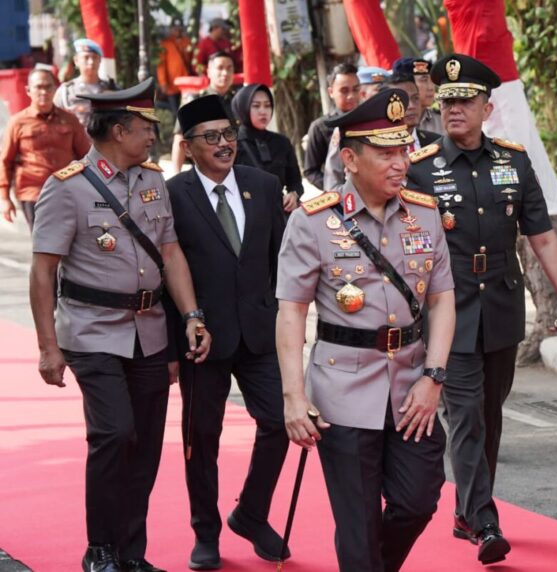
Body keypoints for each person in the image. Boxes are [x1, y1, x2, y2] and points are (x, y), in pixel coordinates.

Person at [405, 53, 557, 565]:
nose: (454, 109)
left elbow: (542, 238)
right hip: (448, 311)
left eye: (465, 101)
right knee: (464, 415)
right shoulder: (421, 169)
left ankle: (466, 510)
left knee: (489, 413)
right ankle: (485, 521)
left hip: (501, 307)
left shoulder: (514, 161)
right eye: (447, 101)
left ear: (487, 108)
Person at [29, 78, 212, 572]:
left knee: (146, 445)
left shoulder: (152, 180)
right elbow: (43, 271)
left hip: (148, 331)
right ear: (117, 130)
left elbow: (170, 251)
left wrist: (191, 315)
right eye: (144, 127)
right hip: (91, 331)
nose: (153, 135)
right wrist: (48, 347)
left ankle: (131, 554)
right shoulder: (66, 187)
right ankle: (100, 549)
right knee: (114, 433)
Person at [276, 88, 456, 572]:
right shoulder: (312, 222)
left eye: (404, 150)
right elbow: (291, 312)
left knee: (418, 501)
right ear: (350, 159)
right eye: (386, 154)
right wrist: (294, 397)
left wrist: (434, 377)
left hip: (412, 386)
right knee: (357, 525)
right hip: (343, 390)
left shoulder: (424, 213)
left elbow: (442, 299)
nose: (401, 163)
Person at [166, 95, 289, 570]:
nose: (224, 144)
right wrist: (174, 340)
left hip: (260, 333)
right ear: (188, 146)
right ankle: (206, 532)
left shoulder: (263, 184)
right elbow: (165, 271)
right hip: (203, 337)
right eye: (212, 137)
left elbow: (281, 262)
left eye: (229, 134)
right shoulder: (173, 194)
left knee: (280, 422)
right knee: (202, 437)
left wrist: (287, 323)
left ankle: (251, 514)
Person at [0, 68, 90, 230]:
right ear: (28, 90)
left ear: (55, 89)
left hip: (66, 191)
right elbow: (6, 161)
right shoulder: (18, 122)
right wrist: (5, 198)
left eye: (48, 87)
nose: (44, 92)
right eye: (39, 87)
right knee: (43, 241)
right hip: (32, 193)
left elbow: (86, 157)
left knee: (69, 240)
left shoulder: (70, 120)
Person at [324, 72, 440, 193]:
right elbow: (332, 181)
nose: (410, 106)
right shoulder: (354, 135)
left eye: (404, 151)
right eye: (386, 154)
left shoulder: (436, 142)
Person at [231, 84, 302, 213]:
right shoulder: (232, 144)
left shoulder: (282, 142)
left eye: (267, 105)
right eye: (256, 106)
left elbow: (295, 181)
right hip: (245, 214)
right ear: (243, 108)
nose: (263, 111)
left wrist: (293, 195)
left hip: (279, 213)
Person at [170, 51, 237, 175]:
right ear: (209, 71)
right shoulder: (195, 101)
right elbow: (180, 137)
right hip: (203, 171)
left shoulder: (237, 101)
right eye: (220, 68)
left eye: (229, 68)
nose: (225, 73)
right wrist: (176, 174)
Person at [302, 62, 360, 190]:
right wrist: (336, 189)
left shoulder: (369, 121)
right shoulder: (320, 127)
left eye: (355, 89)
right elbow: (310, 171)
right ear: (331, 92)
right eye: (344, 91)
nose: (351, 96)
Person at [54, 38, 113, 128]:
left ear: (100, 60)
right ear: (76, 61)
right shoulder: (65, 92)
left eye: (95, 57)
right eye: (86, 57)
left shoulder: (111, 89)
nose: (91, 62)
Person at [393, 57, 443, 135]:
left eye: (432, 80)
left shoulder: (441, 120)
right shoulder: (390, 123)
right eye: (424, 80)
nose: (430, 87)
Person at [157, 17, 192, 116]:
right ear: (171, 29)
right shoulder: (165, 43)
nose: (177, 30)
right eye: (175, 28)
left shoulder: (187, 42)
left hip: (186, 82)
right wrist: (163, 82)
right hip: (172, 84)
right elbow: (161, 64)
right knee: (176, 112)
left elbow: (191, 60)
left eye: (179, 28)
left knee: (187, 109)